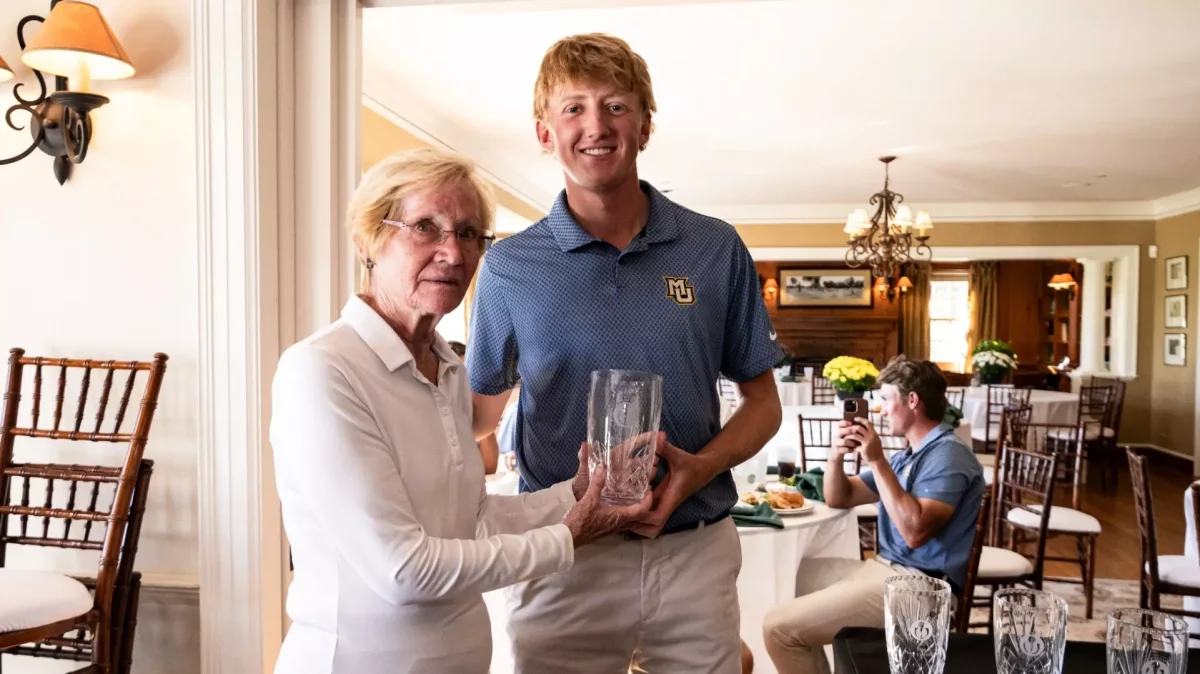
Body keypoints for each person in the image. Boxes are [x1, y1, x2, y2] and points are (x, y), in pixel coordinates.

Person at [467, 33, 783, 672]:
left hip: (694, 550)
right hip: (565, 556)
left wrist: (698, 466)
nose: (596, 126)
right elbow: (477, 417)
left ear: (645, 126)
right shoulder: (508, 267)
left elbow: (763, 405)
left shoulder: (715, 248)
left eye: (616, 106)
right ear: (544, 133)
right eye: (573, 108)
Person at [270, 147, 651, 673]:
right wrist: (569, 536)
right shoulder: (322, 369)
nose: (453, 253)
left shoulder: (448, 367)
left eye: (469, 233)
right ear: (368, 242)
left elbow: (469, 520)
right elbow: (405, 572)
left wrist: (577, 492)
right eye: (425, 226)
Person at [762, 356, 985, 674]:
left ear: (912, 401)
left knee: (778, 629)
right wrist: (835, 456)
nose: (880, 409)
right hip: (885, 570)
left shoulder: (948, 454)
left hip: (921, 589)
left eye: (885, 399)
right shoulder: (908, 455)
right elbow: (841, 497)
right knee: (790, 578)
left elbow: (915, 531)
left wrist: (877, 459)